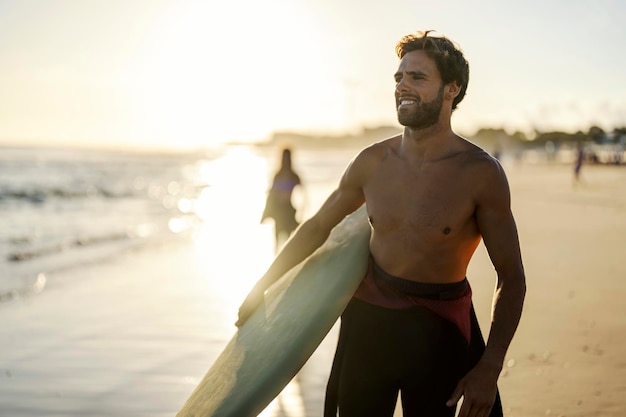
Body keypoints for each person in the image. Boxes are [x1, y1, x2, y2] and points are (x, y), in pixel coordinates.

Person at [237, 30, 526, 417]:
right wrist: (261, 289)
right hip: (368, 323)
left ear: (452, 89)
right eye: (399, 77)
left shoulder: (480, 174)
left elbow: (511, 276)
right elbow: (317, 226)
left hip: (437, 328)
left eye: (418, 78)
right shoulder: (373, 161)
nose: (402, 86)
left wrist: (489, 367)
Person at [261, 147, 302, 250]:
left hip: (289, 210)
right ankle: (279, 264)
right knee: (278, 241)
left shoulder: (293, 176)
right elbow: (271, 194)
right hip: (279, 211)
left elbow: (303, 193)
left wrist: (302, 210)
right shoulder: (278, 175)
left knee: (288, 241)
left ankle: (286, 264)